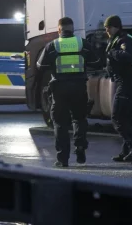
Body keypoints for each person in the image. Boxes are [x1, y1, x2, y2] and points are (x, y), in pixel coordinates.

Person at [36, 17, 100, 167]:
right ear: (73, 29)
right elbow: (96, 62)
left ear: (59, 29)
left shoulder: (52, 45)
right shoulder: (82, 43)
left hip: (59, 89)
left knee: (60, 124)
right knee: (79, 119)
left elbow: (40, 66)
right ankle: (80, 147)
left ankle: (62, 159)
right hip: (79, 87)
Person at [104, 15, 132, 162]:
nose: (107, 30)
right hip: (125, 82)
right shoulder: (117, 39)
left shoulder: (125, 39)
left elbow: (127, 56)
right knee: (126, 118)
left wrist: (112, 53)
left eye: (108, 27)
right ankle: (126, 152)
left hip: (128, 83)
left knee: (117, 117)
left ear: (115, 26)